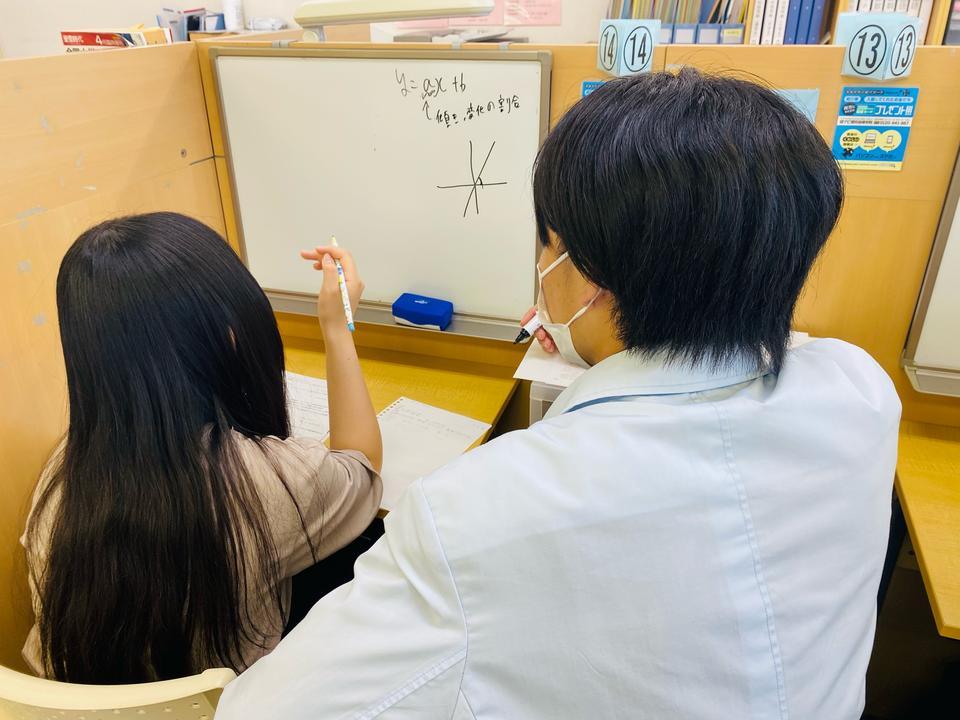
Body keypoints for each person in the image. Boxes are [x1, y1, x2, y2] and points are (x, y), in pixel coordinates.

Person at [215, 68, 901, 719]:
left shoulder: (477, 515)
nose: (541, 265)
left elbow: (265, 709)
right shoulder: (861, 396)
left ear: (589, 275)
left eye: (547, 245)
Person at [21, 212, 382, 684]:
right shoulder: (261, 480)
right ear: (228, 334)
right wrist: (337, 326)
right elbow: (361, 467)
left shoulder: (58, 476)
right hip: (232, 704)